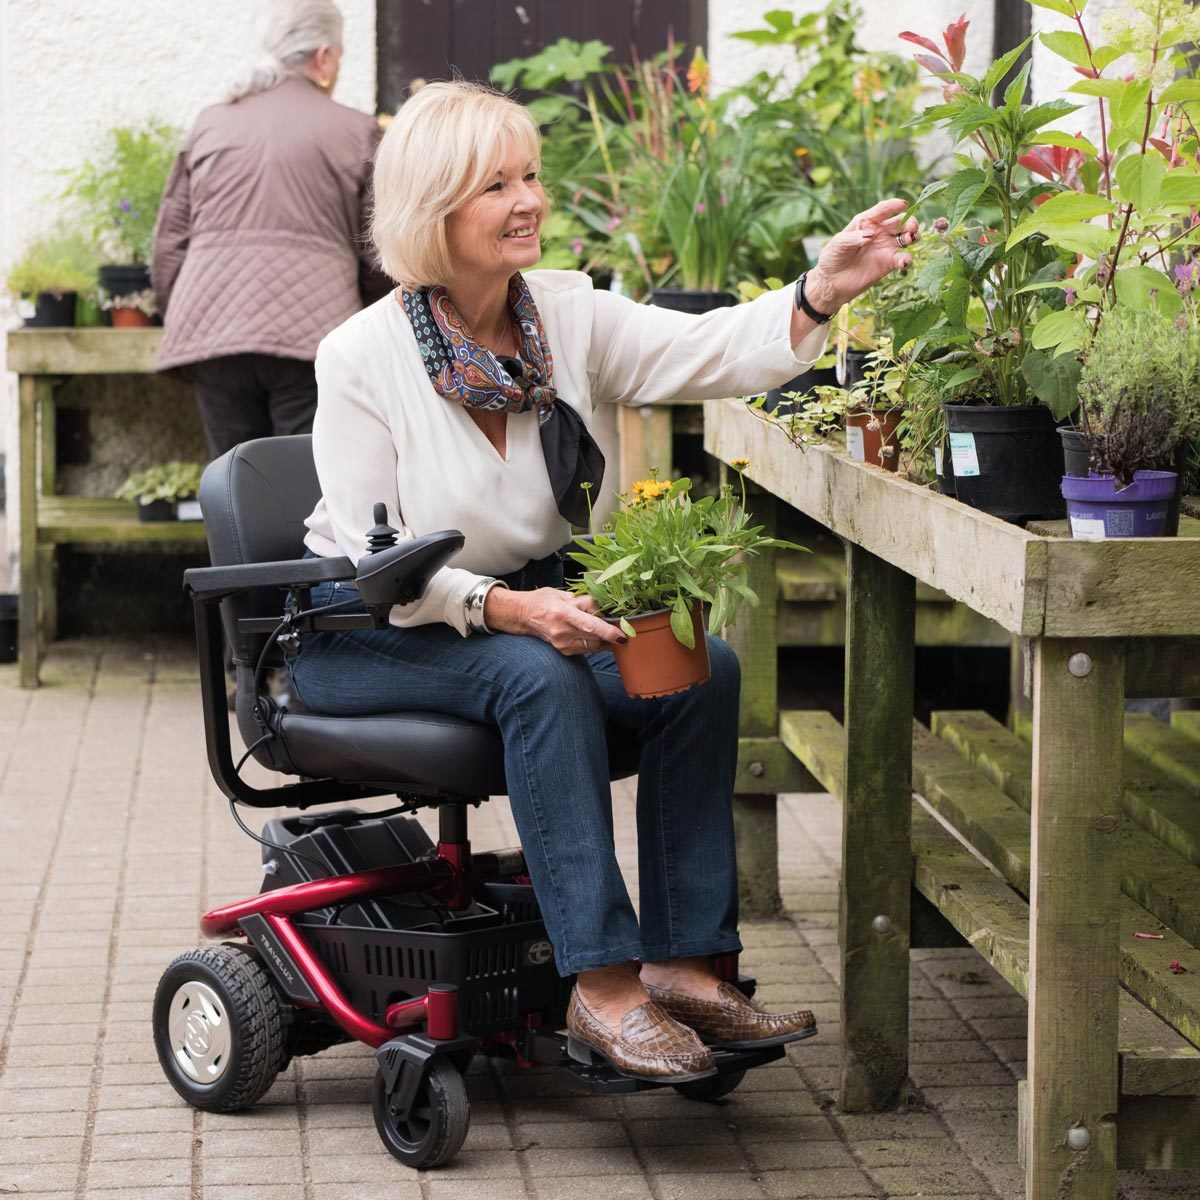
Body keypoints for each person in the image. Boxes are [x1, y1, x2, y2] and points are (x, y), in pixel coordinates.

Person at [289, 80, 919, 1083]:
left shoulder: (561, 318)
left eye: (531, 175)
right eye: (496, 184)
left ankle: (684, 962)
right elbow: (383, 568)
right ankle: (602, 987)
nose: (529, 199)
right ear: (432, 209)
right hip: (368, 627)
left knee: (697, 669)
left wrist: (820, 293)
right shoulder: (361, 358)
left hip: (522, 613)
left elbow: (704, 348)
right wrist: (512, 610)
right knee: (532, 677)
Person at [150, 0, 390, 459]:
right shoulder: (356, 130)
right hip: (314, 339)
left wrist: (180, 311)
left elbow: (169, 247)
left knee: (231, 489)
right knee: (307, 489)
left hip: (214, 331)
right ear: (323, 57)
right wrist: (362, 320)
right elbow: (379, 254)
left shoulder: (211, 123)